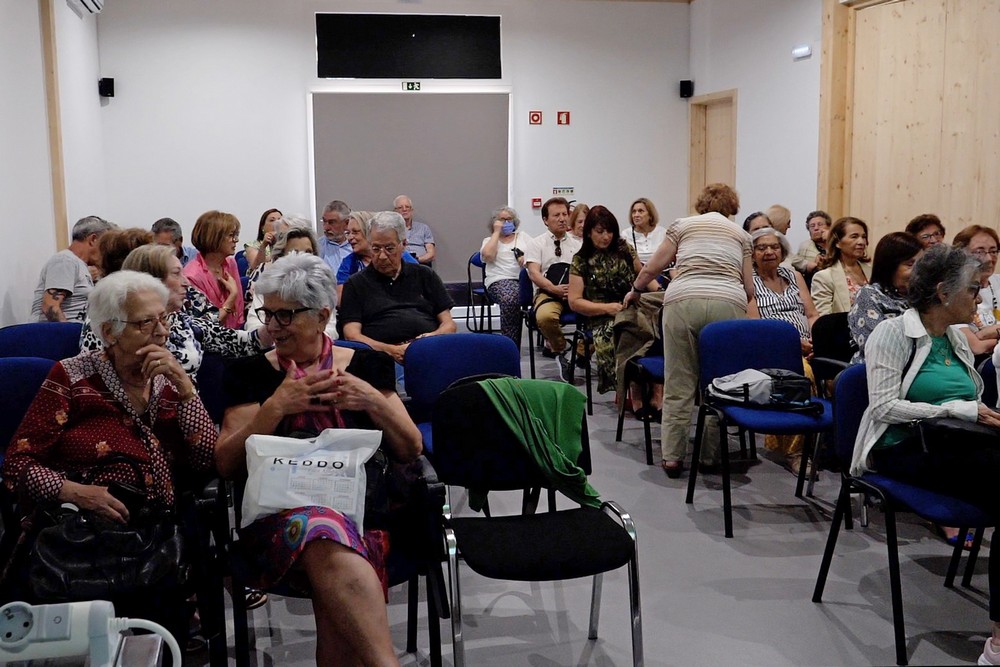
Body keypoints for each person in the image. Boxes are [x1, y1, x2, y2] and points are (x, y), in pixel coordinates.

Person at [216, 253, 421, 666]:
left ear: (322, 314)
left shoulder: (365, 366)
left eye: (285, 316)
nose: (272, 327)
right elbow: (226, 463)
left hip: (363, 511)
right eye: (267, 314)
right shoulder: (250, 373)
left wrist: (370, 401)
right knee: (325, 527)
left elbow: (410, 447)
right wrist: (275, 407)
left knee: (332, 542)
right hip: (280, 516)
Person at [4, 270, 217, 634]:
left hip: (156, 541)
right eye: (145, 323)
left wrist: (186, 388)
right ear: (109, 332)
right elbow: (17, 462)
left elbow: (205, 460)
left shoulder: (168, 381)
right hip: (80, 542)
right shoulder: (72, 377)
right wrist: (75, 493)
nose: (162, 332)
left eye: (163, 318)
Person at [848, 244, 1000, 667]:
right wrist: (955, 408)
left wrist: (977, 412)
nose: (981, 298)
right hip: (903, 448)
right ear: (942, 292)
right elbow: (881, 407)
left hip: (954, 443)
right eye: (973, 289)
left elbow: (970, 403)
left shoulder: (955, 337)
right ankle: (998, 647)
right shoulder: (893, 333)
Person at [625, 183, 756, 478]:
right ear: (731, 206)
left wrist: (634, 291)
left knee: (678, 380)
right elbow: (749, 288)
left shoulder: (682, 225)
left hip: (683, 301)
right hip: (727, 304)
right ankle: (709, 456)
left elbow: (652, 268)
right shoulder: (741, 235)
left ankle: (672, 457)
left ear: (701, 203)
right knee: (719, 383)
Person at [340, 212, 455, 363]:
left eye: (389, 248)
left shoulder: (425, 275)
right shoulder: (355, 284)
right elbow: (352, 335)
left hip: (427, 350)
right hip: (380, 357)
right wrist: (391, 350)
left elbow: (449, 324)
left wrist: (430, 339)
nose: (382, 256)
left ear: (404, 245)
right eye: (375, 248)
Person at [750, 227, 820, 474]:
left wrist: (815, 338)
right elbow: (755, 325)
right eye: (762, 247)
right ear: (752, 254)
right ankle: (796, 453)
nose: (769, 251)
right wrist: (792, 343)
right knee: (804, 377)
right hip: (773, 349)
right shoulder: (750, 280)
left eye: (775, 247)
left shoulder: (794, 276)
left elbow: (811, 315)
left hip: (807, 346)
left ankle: (828, 446)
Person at [568, 205, 642, 395]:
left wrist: (660, 291)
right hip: (600, 316)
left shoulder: (624, 249)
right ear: (589, 233)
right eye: (600, 232)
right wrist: (607, 308)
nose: (606, 236)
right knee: (630, 332)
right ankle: (632, 391)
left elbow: (642, 277)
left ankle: (653, 390)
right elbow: (575, 301)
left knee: (658, 329)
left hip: (630, 307)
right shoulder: (581, 260)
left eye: (609, 231)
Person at [524, 197, 583, 380]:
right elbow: (534, 273)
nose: (562, 219)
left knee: (606, 317)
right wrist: (554, 289)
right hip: (548, 292)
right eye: (556, 215)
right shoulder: (536, 243)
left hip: (576, 293)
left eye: (565, 214)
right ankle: (562, 349)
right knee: (545, 317)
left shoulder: (579, 244)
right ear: (545, 220)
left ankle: (579, 353)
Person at [245, 227, 337, 340]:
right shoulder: (268, 287)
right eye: (295, 253)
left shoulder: (322, 286)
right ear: (280, 257)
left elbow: (330, 329)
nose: (303, 257)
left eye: (308, 252)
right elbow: (253, 326)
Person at [848, 232, 923, 362]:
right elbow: (876, 346)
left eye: (921, 264)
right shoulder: (870, 295)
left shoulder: (921, 296)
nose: (919, 271)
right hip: (878, 369)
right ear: (890, 266)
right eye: (910, 265)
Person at [30, 216, 115, 322]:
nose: (106, 252)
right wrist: (67, 335)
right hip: (54, 335)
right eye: (104, 246)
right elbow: (50, 306)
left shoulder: (79, 265)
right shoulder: (65, 260)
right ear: (93, 239)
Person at [336, 211, 417, 303]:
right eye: (348, 233)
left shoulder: (402, 257)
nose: (350, 238)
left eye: (355, 232)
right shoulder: (349, 262)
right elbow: (340, 300)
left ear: (369, 233)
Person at [183, 210, 245, 329]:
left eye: (236, 235)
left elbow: (239, 313)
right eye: (231, 235)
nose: (236, 240)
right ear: (214, 237)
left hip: (234, 335)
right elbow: (204, 326)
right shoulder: (192, 275)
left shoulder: (230, 263)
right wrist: (232, 296)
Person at [480, 206, 531, 346]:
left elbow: (536, 257)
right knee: (510, 298)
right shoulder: (488, 241)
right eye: (502, 220)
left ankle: (550, 344)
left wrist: (525, 260)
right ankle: (510, 345)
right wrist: (496, 232)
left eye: (509, 219)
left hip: (523, 279)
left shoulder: (523, 237)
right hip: (499, 280)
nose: (506, 223)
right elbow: (488, 256)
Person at [952, 225, 1000, 361]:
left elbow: (980, 339)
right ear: (960, 254)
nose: (990, 259)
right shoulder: (954, 292)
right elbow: (976, 347)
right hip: (974, 363)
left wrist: (985, 333)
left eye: (994, 251)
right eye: (980, 252)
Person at [810, 216, 872, 316]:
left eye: (863, 237)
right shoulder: (824, 277)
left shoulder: (872, 271)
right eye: (854, 237)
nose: (861, 242)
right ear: (838, 243)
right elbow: (824, 320)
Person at [393, 195, 435, 266]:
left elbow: (431, 254)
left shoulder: (424, 228)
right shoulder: (391, 230)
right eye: (400, 207)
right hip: (399, 266)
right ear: (395, 211)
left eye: (407, 207)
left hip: (421, 265)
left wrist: (415, 260)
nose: (404, 209)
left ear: (411, 210)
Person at [790, 210, 832, 282]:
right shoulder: (805, 246)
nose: (816, 228)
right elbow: (795, 263)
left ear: (829, 227)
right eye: (812, 226)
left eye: (820, 224)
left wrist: (831, 238)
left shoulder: (837, 244)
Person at [623, 198, 666, 265]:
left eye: (641, 211)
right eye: (634, 212)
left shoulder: (663, 233)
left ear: (650, 215)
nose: (636, 215)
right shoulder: (626, 235)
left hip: (660, 271)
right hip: (636, 273)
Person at [319, 200, 353, 275]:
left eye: (332, 222)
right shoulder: (317, 248)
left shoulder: (355, 247)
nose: (326, 227)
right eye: (324, 221)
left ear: (346, 223)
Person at [245, 208, 282, 274]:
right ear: (262, 227)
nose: (277, 223)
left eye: (280, 220)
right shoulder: (252, 245)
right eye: (272, 220)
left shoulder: (287, 243)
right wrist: (264, 245)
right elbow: (256, 267)